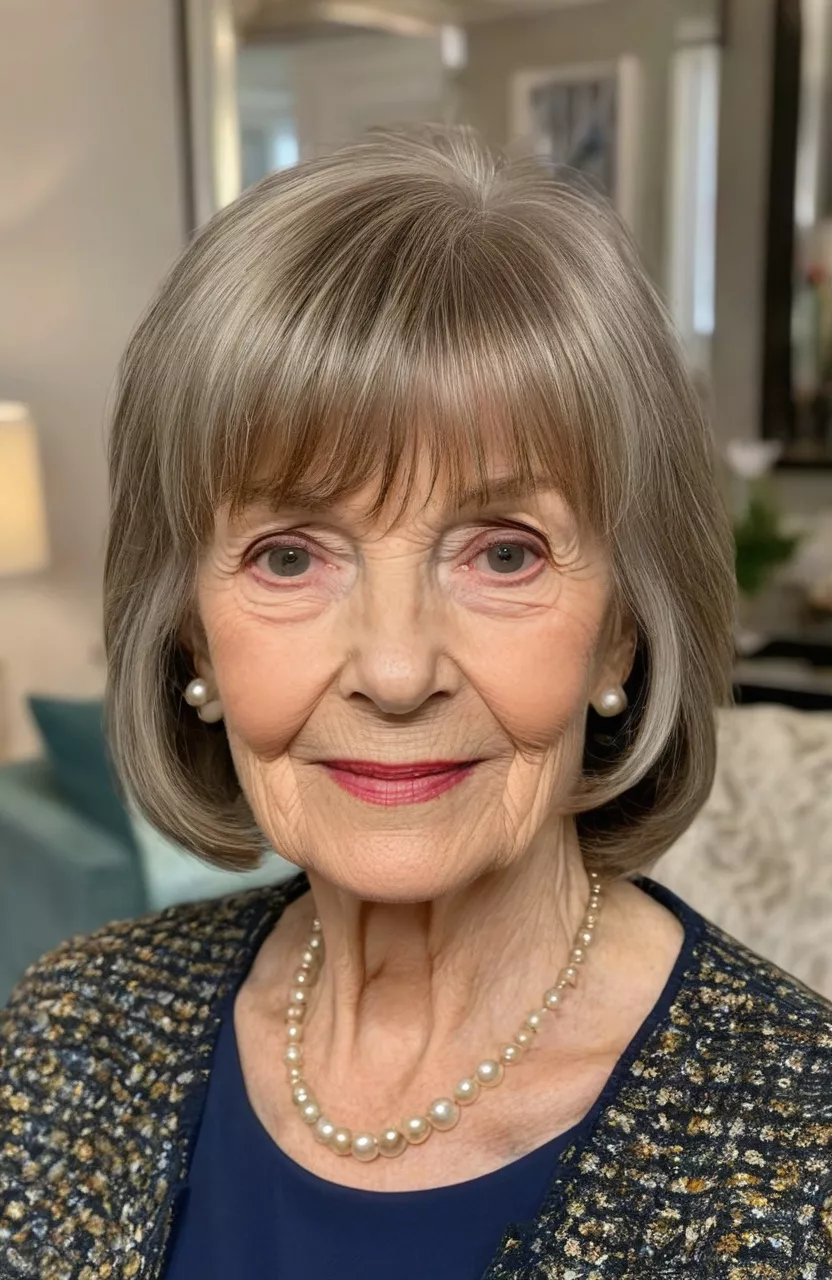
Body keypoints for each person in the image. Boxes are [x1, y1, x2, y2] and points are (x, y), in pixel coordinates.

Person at [2, 124, 831, 1280]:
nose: (395, 671)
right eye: (290, 555)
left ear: (622, 630)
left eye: (503, 552)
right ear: (192, 632)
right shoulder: (69, 1030)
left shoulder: (802, 1156)